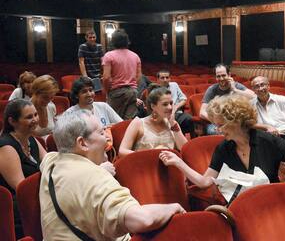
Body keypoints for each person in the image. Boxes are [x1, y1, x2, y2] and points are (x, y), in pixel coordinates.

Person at [160, 95, 285, 203]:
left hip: (271, 201)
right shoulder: (224, 148)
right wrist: (178, 162)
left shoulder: (268, 141)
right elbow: (204, 182)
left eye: (222, 125)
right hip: (241, 206)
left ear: (237, 122)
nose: (218, 130)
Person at [39, 110, 185, 241]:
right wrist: (174, 207)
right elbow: (142, 220)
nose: (107, 139)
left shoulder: (51, 162)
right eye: (102, 133)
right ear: (82, 143)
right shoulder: (96, 177)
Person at [0, 99, 47, 238]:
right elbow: (22, 188)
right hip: (16, 209)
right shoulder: (6, 146)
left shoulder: (31, 139)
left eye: (35, 115)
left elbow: (49, 163)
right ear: (12, 121)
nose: (35, 120)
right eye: (29, 117)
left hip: (36, 198)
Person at [119, 85, 188, 157]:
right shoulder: (138, 123)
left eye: (171, 103)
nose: (170, 107)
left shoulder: (173, 124)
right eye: (165, 104)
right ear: (153, 106)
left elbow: (184, 149)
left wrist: (173, 124)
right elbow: (122, 151)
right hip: (144, 165)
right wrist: (151, 155)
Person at [200, 64, 255, 135]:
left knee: (249, 130)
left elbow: (253, 96)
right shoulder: (212, 89)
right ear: (216, 77)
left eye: (223, 75)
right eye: (218, 76)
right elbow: (202, 112)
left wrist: (235, 90)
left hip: (235, 121)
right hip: (217, 122)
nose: (221, 78)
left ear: (229, 75)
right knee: (213, 131)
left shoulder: (236, 86)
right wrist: (217, 121)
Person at [102, 29, 141, 120]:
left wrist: (107, 91)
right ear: (127, 41)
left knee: (113, 120)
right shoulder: (135, 56)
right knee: (128, 122)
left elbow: (106, 77)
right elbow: (139, 76)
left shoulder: (109, 56)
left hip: (116, 92)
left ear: (113, 41)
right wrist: (134, 87)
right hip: (132, 92)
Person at [156, 69, 193, 135]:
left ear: (170, 79)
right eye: (162, 78)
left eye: (167, 77)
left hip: (177, 113)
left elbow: (184, 99)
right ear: (158, 80)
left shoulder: (174, 85)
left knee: (189, 118)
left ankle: (192, 142)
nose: (165, 80)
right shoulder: (155, 90)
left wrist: (175, 107)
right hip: (164, 114)